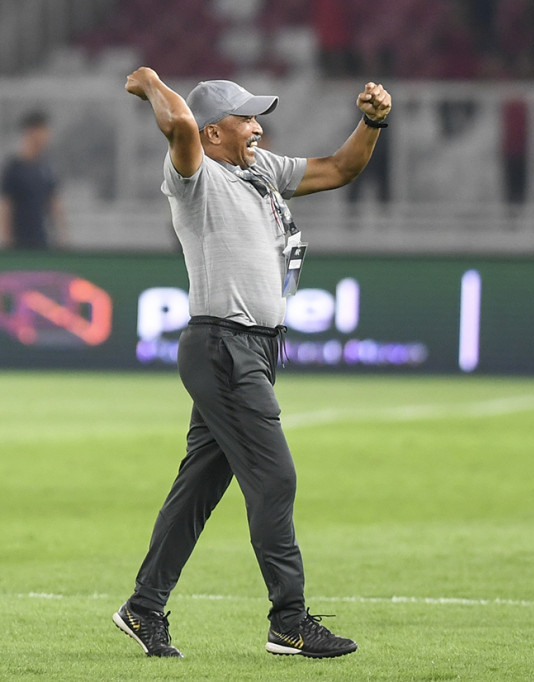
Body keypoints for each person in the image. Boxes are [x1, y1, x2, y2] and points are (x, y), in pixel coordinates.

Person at [114, 66, 391, 659]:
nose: (258, 126)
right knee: (275, 477)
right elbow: (180, 123)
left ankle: (143, 607)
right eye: (246, 117)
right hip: (224, 345)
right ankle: (288, 621)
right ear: (215, 132)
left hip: (253, 349)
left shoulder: (259, 168)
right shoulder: (195, 175)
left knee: (198, 489)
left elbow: (339, 169)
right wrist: (150, 81)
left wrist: (372, 123)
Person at [0, 110, 65, 249]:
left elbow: (54, 203)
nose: (47, 136)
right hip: (18, 244)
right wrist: (6, 241)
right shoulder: (14, 168)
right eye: (43, 131)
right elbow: (6, 207)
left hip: (41, 241)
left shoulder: (46, 168)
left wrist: (63, 236)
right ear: (31, 132)